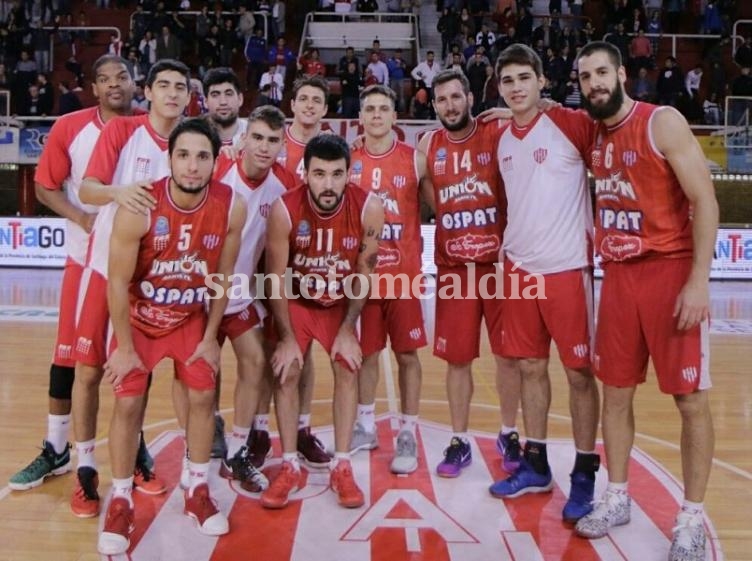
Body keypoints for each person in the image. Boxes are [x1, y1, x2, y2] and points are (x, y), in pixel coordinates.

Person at [574, 42, 719, 561]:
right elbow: (540, 112)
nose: (594, 83)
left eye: (601, 73)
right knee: (614, 392)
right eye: (585, 76)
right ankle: (617, 496)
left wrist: (699, 281)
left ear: (621, 74)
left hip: (669, 270)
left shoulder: (663, 122)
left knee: (689, 400)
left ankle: (691, 518)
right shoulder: (593, 132)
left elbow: (705, 200)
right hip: (617, 277)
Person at [97, 118, 245, 555]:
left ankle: (197, 488)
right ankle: (121, 498)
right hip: (139, 320)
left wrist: (211, 338)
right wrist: (124, 348)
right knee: (128, 401)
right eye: (184, 155)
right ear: (170, 159)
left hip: (188, 320)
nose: (192, 166)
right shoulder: (140, 206)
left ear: (216, 163)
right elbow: (116, 282)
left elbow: (222, 277)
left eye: (202, 156)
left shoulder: (230, 205)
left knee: (202, 397)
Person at [8, 56, 137, 518]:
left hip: (139, 268)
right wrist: (82, 217)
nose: (115, 84)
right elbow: (44, 186)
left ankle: (134, 447)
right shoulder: (70, 127)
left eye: (122, 76)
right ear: (94, 88)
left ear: (133, 82)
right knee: (69, 358)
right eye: (105, 79)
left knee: (132, 360)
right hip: (87, 260)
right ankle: (57, 447)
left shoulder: (150, 128)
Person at [487, 44, 601, 524]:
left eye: (523, 78)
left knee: (578, 375)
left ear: (541, 81)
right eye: (507, 80)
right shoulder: (500, 138)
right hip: (518, 272)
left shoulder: (571, 125)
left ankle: (584, 472)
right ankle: (535, 464)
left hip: (567, 270)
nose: (516, 88)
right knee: (531, 367)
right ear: (499, 87)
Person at [74, 58, 192, 506]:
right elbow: (87, 190)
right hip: (107, 265)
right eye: (164, 85)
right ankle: (85, 469)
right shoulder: (124, 131)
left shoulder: (190, 143)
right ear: (149, 91)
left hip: (155, 280)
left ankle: (136, 459)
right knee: (88, 371)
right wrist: (117, 192)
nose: (172, 93)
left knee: (135, 376)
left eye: (180, 86)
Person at [261, 134, 384, 509]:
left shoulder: (369, 208)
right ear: (306, 173)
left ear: (350, 173)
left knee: (348, 366)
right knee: (288, 370)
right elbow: (275, 278)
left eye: (336, 174)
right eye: (319, 174)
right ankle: (289, 464)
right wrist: (285, 337)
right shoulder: (284, 209)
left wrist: (348, 329)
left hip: (337, 304)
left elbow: (364, 271)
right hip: (296, 301)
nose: (328, 184)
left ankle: (342, 465)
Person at [417, 69, 521, 478]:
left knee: (509, 357)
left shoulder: (496, 132)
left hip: (497, 266)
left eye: (455, 97)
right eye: (442, 100)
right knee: (457, 361)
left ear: (470, 96)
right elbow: (426, 191)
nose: (450, 106)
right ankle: (459, 440)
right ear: (434, 104)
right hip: (454, 269)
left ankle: (509, 432)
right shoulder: (428, 145)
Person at [347, 85, 427, 473]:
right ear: (360, 118)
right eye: (370, 109)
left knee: (407, 356)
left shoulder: (416, 160)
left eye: (384, 108)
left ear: (395, 117)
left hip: (405, 278)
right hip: (363, 278)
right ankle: (365, 424)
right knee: (366, 354)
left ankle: (408, 432)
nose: (377, 115)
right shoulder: (349, 160)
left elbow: (437, 206)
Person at [203, 67, 247, 148]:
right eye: (215, 95)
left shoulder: (254, 135)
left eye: (228, 94)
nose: (223, 102)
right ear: (205, 102)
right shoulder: (193, 136)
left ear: (240, 99)